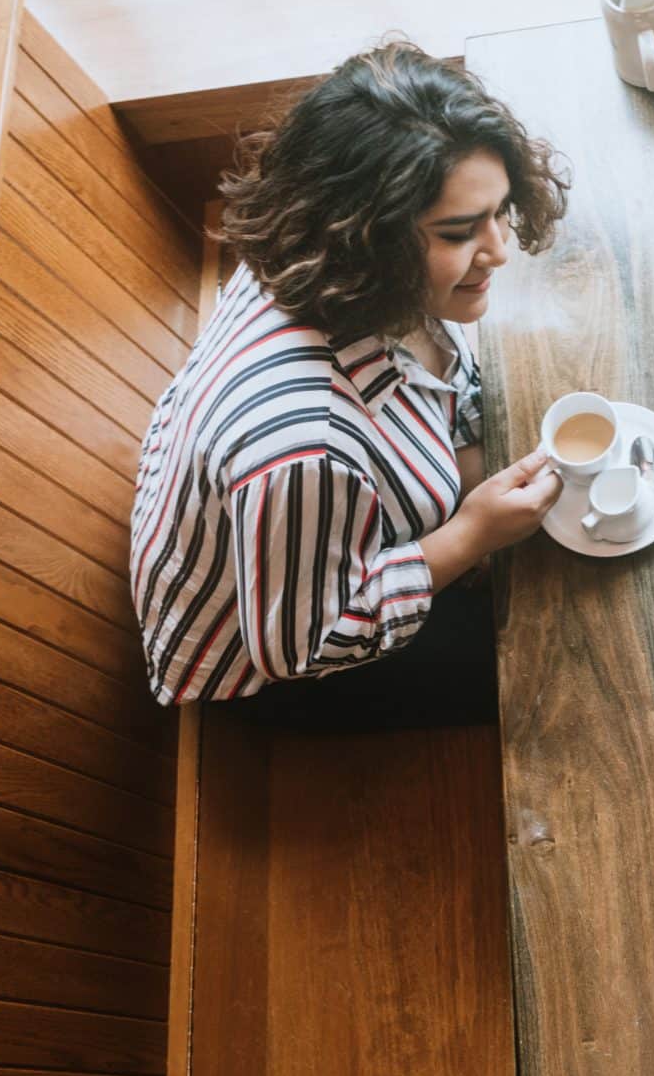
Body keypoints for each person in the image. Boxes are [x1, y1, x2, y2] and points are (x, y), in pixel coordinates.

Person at [131, 42, 570, 729]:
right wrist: (470, 536)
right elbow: (303, 644)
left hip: (293, 533)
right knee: (559, 661)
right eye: (460, 231)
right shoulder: (306, 447)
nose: (499, 249)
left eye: (500, 210)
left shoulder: (321, 254)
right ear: (370, 236)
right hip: (277, 663)